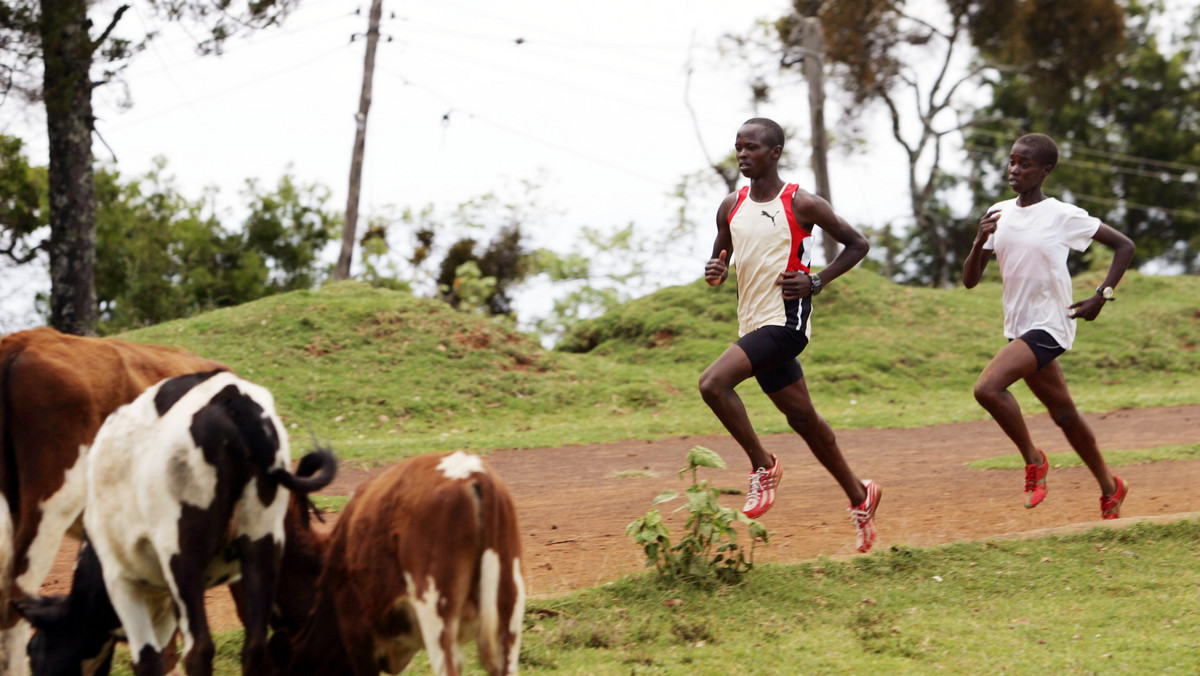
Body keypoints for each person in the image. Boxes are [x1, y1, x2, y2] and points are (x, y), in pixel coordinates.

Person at [699, 117, 881, 553]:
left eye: (752, 148)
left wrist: (817, 281)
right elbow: (719, 255)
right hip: (752, 323)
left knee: (712, 384)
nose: (743, 154)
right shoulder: (731, 204)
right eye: (738, 147)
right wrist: (716, 270)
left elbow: (858, 244)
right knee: (804, 420)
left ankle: (764, 466)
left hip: (786, 322)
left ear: (775, 152)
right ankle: (861, 495)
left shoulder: (801, 202)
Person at [962, 132, 1136, 519]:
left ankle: (1033, 460)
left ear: (1045, 170)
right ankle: (1111, 489)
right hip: (1019, 328)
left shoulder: (1062, 215)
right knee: (1064, 414)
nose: (1015, 170)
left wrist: (1102, 296)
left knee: (988, 388)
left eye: (1025, 164)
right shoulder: (1000, 212)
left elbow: (1125, 245)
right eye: (1012, 161)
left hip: (1051, 325)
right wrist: (978, 242)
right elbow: (970, 280)